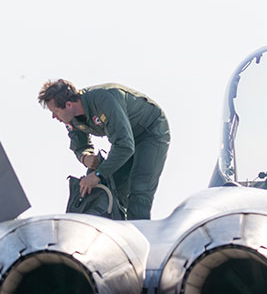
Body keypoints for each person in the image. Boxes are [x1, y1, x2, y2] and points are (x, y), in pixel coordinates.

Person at [38, 79, 170, 220]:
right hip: (125, 139)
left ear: (68, 105)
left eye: (55, 111)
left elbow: (125, 146)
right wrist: (86, 156)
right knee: (110, 188)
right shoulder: (70, 118)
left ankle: (139, 235)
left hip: (149, 132)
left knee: (139, 190)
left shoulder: (104, 100)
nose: (54, 117)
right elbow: (80, 145)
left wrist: (97, 175)